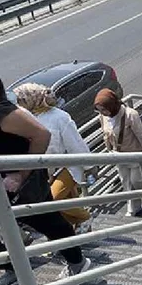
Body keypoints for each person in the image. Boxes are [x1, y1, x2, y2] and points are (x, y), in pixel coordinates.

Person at [0, 77, 91, 285]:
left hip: (23, 182)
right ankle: (12, 270)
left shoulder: (3, 111)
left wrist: (21, 174)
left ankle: (78, 263)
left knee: (47, 221)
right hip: (7, 182)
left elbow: (42, 134)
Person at [12, 83, 92, 234]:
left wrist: (89, 166)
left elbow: (75, 143)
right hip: (46, 169)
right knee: (64, 203)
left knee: (54, 200)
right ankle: (72, 235)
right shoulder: (27, 118)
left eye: (21, 101)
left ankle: (85, 218)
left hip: (67, 165)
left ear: (31, 99)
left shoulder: (59, 117)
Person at [95, 88, 142, 217]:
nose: (103, 113)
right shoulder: (103, 117)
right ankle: (133, 208)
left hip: (135, 155)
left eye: (104, 109)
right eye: (99, 110)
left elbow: (141, 136)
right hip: (118, 156)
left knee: (136, 181)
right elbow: (105, 134)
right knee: (126, 182)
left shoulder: (130, 114)